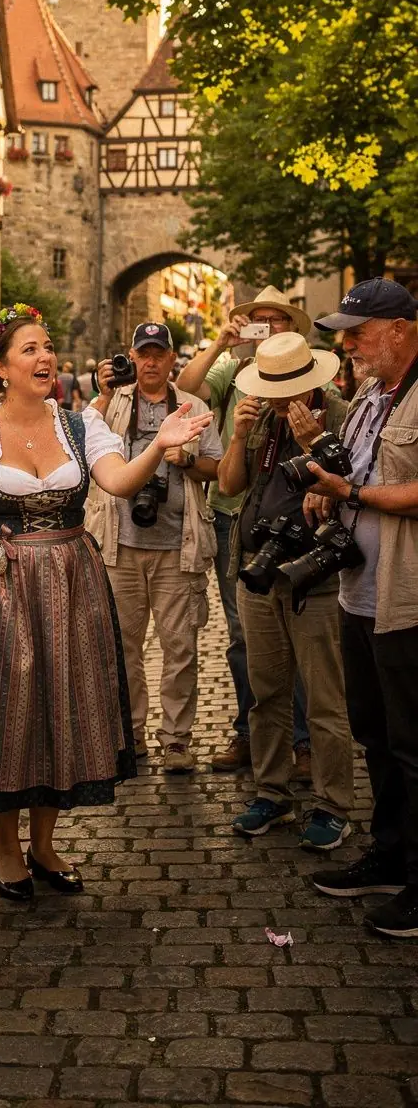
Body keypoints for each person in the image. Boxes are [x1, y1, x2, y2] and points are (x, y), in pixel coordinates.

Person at [0, 304, 213, 898]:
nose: (45, 358)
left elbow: (119, 482)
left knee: (61, 708)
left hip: (71, 584)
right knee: (6, 712)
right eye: (30, 349)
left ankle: (45, 844)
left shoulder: (82, 426)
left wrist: (159, 444)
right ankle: (7, 848)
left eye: (48, 347)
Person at [304, 280, 418, 934]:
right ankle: (390, 855)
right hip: (360, 593)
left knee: (413, 744)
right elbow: (361, 473)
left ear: (399, 328)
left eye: (358, 332)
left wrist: (352, 493)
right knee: (375, 736)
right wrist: (329, 492)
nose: (348, 345)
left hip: (407, 599)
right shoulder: (372, 396)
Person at [218, 331, 354, 850]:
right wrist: (237, 436)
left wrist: (314, 443)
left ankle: (333, 805)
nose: (274, 399)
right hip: (259, 570)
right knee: (266, 692)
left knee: (324, 699)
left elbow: (354, 484)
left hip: (315, 577)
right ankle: (271, 793)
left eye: (282, 389)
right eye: (268, 388)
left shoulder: (339, 414)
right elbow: (229, 486)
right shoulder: (261, 420)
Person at [177, 286, 314, 775]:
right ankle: (248, 733)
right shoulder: (233, 370)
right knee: (242, 634)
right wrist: (220, 342)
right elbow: (186, 388)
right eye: (261, 320)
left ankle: (302, 741)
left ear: (292, 328)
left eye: (277, 320)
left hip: (293, 521)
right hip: (232, 515)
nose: (269, 328)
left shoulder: (313, 376)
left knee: (296, 630)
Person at [84, 323, 223, 772]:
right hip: (119, 545)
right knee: (122, 647)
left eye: (158, 354)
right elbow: (80, 445)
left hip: (178, 546)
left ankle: (177, 741)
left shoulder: (193, 406)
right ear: (131, 356)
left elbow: (218, 468)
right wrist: (101, 394)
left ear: (171, 360)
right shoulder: (113, 402)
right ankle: (131, 734)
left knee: (180, 647)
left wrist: (187, 460)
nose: (150, 362)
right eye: (143, 354)